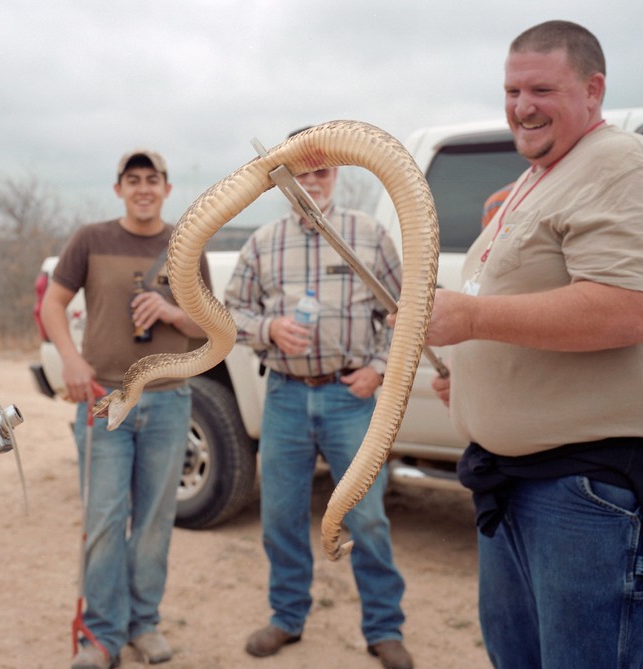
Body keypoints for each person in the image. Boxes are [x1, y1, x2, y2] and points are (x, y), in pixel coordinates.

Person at [425, 21, 643, 669]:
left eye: (541, 88)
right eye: (512, 89)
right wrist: (472, 376)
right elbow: (532, 306)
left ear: (593, 89)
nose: (521, 106)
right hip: (517, 485)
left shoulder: (614, 163)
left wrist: (469, 318)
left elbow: (625, 307)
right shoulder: (538, 176)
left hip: (581, 497)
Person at [223, 130, 414, 669]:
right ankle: (286, 617)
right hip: (284, 396)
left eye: (321, 172)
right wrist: (269, 327)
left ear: (337, 175)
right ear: (284, 180)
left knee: (368, 517)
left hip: (350, 398)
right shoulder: (263, 243)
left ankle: (384, 628)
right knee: (281, 515)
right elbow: (226, 314)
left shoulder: (369, 236)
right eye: (301, 174)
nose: (312, 183)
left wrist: (378, 369)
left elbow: (404, 313)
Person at [39, 150, 210, 669]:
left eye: (151, 180)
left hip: (168, 400)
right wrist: (69, 359)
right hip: (104, 402)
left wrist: (174, 313)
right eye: (132, 180)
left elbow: (211, 327)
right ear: (118, 189)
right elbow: (51, 303)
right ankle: (101, 634)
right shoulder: (90, 239)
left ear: (166, 188)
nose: (142, 188)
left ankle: (144, 624)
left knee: (155, 521)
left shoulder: (187, 245)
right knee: (106, 519)